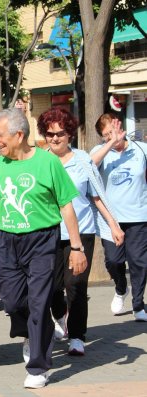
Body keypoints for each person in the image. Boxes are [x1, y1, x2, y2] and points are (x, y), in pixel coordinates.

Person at [0, 108, 87, 389]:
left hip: (41, 241)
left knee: (39, 304)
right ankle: (33, 332)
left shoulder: (48, 163)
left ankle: (38, 366)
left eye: (0, 135)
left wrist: (76, 247)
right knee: (11, 301)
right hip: (7, 243)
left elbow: (66, 206)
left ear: (19, 135)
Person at [37, 108, 125, 355]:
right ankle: (60, 315)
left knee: (76, 284)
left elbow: (96, 194)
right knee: (52, 287)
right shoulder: (40, 160)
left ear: (70, 135)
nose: (55, 138)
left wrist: (113, 224)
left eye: (60, 134)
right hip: (48, 232)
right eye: (50, 134)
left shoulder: (83, 159)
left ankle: (77, 336)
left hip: (81, 231)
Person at [90, 113, 147, 321]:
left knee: (139, 262)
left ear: (119, 126)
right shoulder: (100, 151)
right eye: (105, 135)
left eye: (111, 132)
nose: (109, 137)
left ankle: (138, 304)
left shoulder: (141, 149)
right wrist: (110, 143)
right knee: (114, 261)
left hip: (139, 216)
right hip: (111, 220)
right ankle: (121, 288)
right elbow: (89, 166)